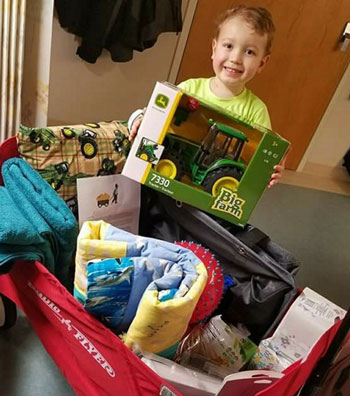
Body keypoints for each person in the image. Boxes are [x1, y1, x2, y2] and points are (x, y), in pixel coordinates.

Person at [129, 5, 288, 187]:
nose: (235, 58)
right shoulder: (188, 89)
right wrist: (140, 119)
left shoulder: (256, 111)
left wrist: (270, 170)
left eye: (249, 52)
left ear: (262, 62)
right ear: (214, 48)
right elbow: (154, 117)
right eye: (228, 46)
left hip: (205, 201)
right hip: (164, 190)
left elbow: (260, 158)